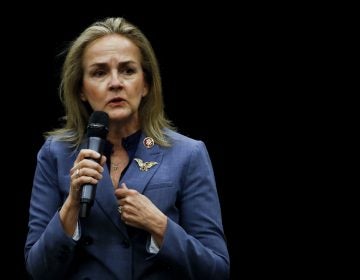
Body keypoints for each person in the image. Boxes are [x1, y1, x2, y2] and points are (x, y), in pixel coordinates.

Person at [24, 17, 229, 280]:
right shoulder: (56, 154)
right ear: (81, 90)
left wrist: (159, 225)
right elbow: (39, 270)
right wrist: (72, 205)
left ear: (145, 84)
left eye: (128, 70)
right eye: (99, 72)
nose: (115, 83)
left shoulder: (187, 153)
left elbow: (217, 270)